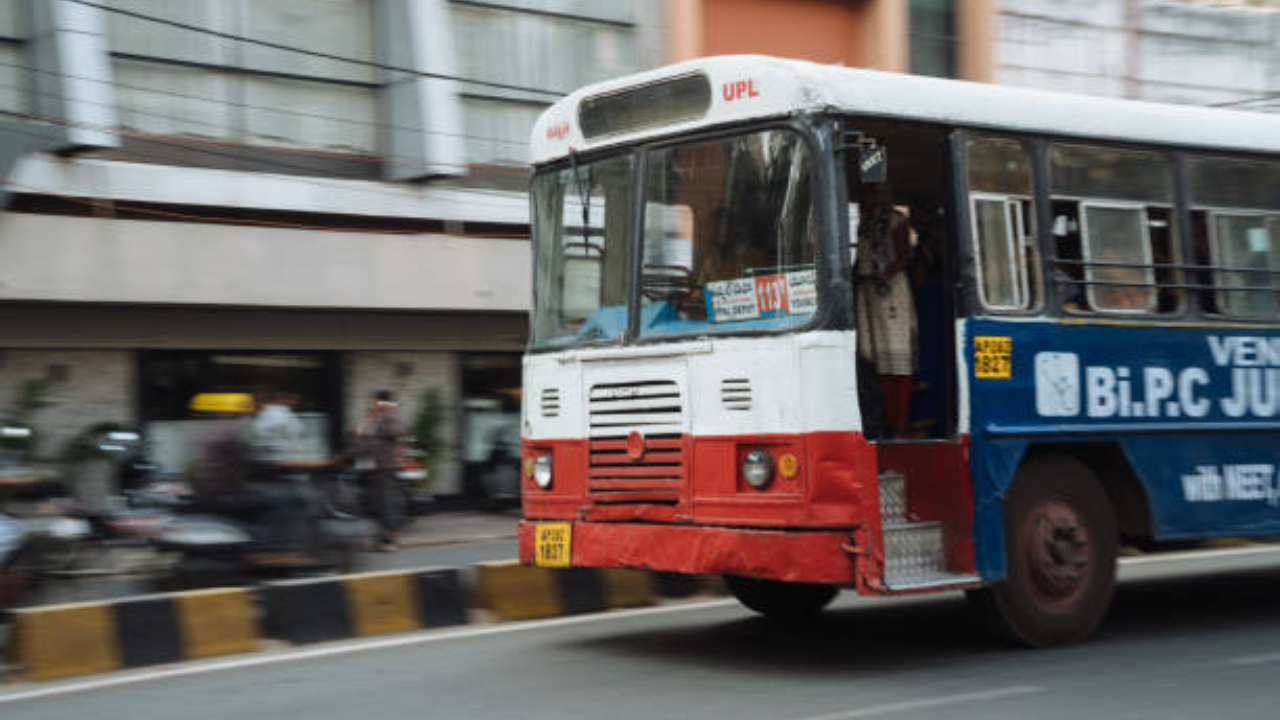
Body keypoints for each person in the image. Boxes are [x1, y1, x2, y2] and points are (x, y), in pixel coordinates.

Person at [854, 184, 918, 438]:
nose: (864, 199)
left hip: (891, 292)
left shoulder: (896, 220)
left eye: (870, 193)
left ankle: (899, 425)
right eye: (863, 194)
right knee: (876, 361)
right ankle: (884, 422)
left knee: (897, 360)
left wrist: (883, 275)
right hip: (868, 292)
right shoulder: (864, 224)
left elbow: (904, 257)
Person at [349, 390, 407, 551]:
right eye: (372, 402)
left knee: (385, 504)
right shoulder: (369, 418)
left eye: (375, 402)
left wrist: (381, 417)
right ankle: (378, 538)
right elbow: (356, 433)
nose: (372, 405)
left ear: (385, 403)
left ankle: (389, 540)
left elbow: (397, 431)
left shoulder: (393, 418)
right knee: (371, 503)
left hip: (384, 467)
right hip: (365, 466)